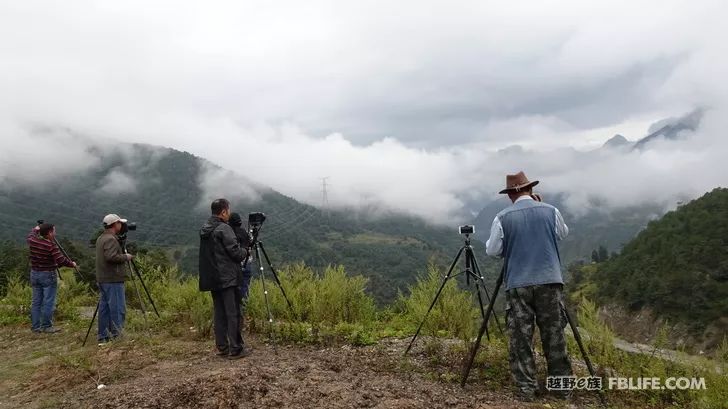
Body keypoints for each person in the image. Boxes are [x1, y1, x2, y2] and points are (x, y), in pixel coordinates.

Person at [485, 171, 573, 401]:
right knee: (554, 335)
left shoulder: (502, 218)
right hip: (550, 281)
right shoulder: (551, 211)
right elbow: (561, 234)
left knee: (521, 338)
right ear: (530, 190)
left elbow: (493, 250)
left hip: (518, 284)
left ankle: (526, 389)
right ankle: (562, 388)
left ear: (511, 194)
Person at [199, 199, 250, 359]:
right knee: (233, 312)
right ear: (223, 212)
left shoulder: (205, 228)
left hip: (212, 278)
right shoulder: (224, 228)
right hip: (227, 277)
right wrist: (245, 250)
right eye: (228, 211)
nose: (228, 213)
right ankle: (236, 348)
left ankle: (222, 347)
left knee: (219, 313)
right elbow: (235, 253)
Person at [27, 223, 78, 333]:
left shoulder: (32, 241)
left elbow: (30, 234)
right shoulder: (51, 246)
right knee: (48, 301)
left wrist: (36, 229)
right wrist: (72, 264)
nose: (55, 233)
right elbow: (61, 260)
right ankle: (47, 326)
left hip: (35, 273)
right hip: (48, 274)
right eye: (54, 231)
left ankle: (36, 327)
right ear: (49, 233)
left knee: (36, 301)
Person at [95, 214, 134, 343]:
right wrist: (125, 256)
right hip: (113, 279)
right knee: (117, 308)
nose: (122, 225)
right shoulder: (111, 239)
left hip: (103, 278)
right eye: (120, 223)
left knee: (105, 309)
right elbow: (111, 257)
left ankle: (103, 336)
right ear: (115, 224)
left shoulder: (101, 238)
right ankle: (117, 336)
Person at [229, 212, 253, 307]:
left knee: (233, 288)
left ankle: (234, 309)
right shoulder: (245, 232)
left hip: (235, 265)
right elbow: (251, 245)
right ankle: (243, 307)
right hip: (247, 263)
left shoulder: (230, 233)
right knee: (245, 286)